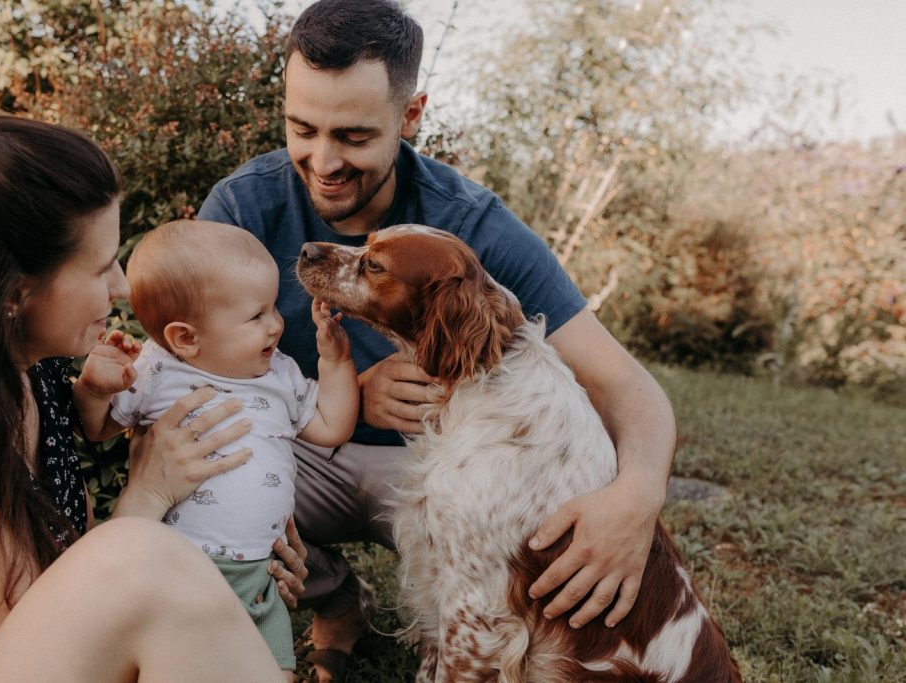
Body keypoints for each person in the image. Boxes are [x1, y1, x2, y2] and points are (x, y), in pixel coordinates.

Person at [197, 0, 678, 680]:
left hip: (439, 472)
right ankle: (333, 600)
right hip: (309, 454)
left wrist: (637, 497)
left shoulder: (471, 228)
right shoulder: (242, 209)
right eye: (301, 128)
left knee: (488, 570)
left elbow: (628, 385)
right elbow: (196, 380)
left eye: (355, 136)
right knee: (202, 475)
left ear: (410, 116)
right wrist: (350, 398)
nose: (323, 160)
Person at [0, 116, 306, 682]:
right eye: (101, 265)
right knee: (143, 556)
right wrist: (148, 495)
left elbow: (73, 567)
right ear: (14, 292)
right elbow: (40, 634)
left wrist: (235, 569)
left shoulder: (39, 375)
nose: (124, 287)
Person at [72, 219, 359, 678]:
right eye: (257, 315)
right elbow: (100, 427)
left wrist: (336, 362)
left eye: (273, 308)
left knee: (274, 672)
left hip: (261, 576)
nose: (277, 325)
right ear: (185, 338)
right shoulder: (156, 371)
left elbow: (330, 426)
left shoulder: (279, 374)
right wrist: (94, 389)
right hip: (179, 570)